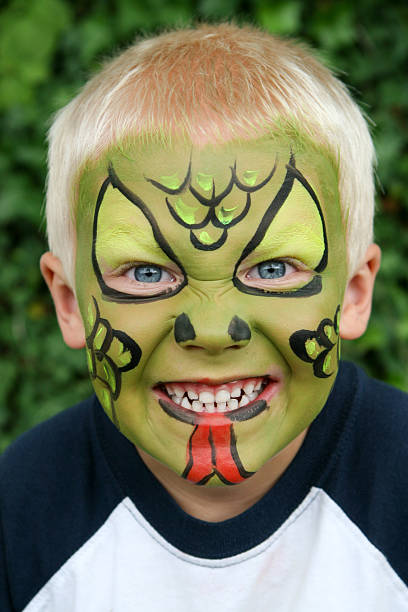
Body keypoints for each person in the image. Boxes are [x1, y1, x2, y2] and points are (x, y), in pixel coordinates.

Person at [1, 22, 407, 611]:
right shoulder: (22, 509)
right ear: (69, 305)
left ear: (353, 293)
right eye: (146, 274)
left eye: (273, 269)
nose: (214, 332)